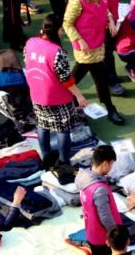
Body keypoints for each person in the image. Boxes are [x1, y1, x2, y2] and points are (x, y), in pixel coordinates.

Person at [63, 0, 125, 125]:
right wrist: (80, 40)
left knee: (86, 76)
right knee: (96, 76)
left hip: (98, 43)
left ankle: (65, 95)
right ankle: (110, 107)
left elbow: (105, 9)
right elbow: (67, 24)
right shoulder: (76, 1)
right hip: (85, 47)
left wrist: (110, 20)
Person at [24, 14, 88, 165]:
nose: (62, 33)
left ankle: (46, 155)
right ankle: (64, 161)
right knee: (62, 129)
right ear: (56, 30)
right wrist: (79, 96)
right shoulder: (57, 51)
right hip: (56, 98)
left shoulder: (30, 42)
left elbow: (27, 63)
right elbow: (66, 79)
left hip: (36, 93)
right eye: (61, 30)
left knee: (42, 125)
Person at [90, 0, 129, 95]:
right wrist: (109, 19)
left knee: (109, 48)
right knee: (105, 51)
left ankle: (110, 76)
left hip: (111, 14)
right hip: (101, 19)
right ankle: (110, 81)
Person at [76, 145, 124, 255]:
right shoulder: (99, 189)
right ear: (105, 164)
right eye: (111, 165)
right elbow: (105, 217)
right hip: (103, 238)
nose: (111, 168)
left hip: (91, 233)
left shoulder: (83, 178)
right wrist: (116, 235)